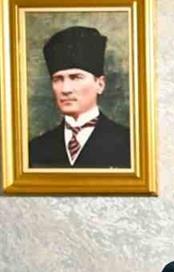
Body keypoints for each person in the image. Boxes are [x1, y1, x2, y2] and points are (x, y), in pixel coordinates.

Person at [28, 25, 130, 169]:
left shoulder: (129, 143)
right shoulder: (36, 149)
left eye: (76, 77)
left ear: (100, 84)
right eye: (58, 79)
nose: (65, 89)